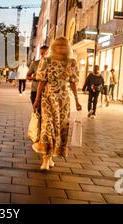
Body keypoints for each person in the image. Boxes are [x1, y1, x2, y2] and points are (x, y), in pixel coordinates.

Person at [32, 37, 82, 171]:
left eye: (63, 46)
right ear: (53, 47)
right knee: (47, 127)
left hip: (63, 100)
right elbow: (41, 81)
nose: (60, 48)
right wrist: (37, 99)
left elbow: (73, 83)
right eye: (58, 45)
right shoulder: (46, 60)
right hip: (48, 97)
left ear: (67, 48)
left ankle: (51, 157)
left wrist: (77, 100)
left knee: (59, 129)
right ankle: (45, 159)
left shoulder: (72, 62)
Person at [26, 45, 49, 110]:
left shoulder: (52, 64)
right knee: (36, 112)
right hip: (35, 90)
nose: (43, 55)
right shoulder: (35, 63)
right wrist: (36, 78)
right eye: (42, 53)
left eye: (46, 53)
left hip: (47, 92)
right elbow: (27, 76)